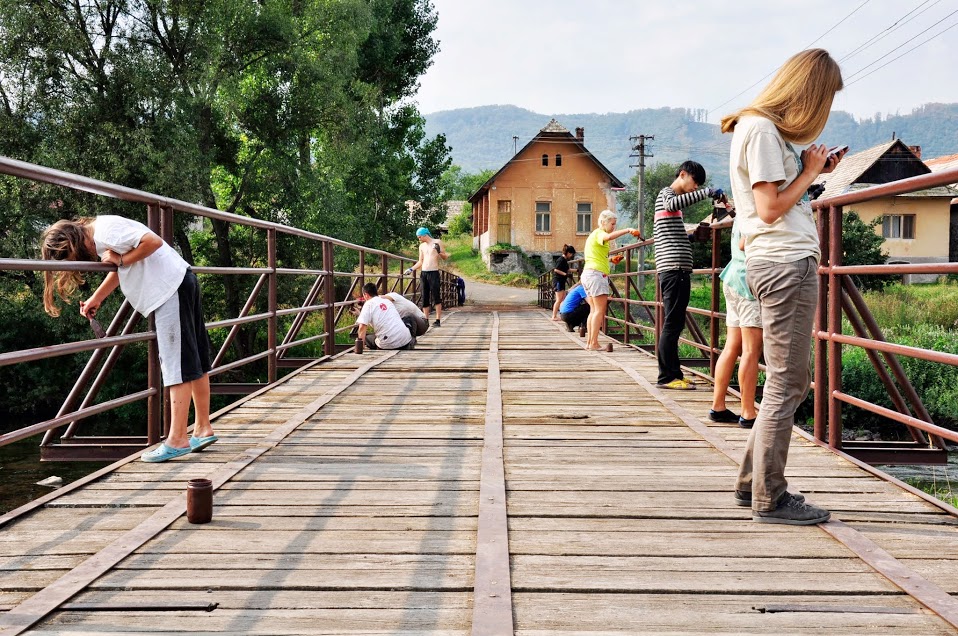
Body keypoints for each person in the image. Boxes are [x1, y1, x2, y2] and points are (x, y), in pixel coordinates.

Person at [721, 48, 845, 525]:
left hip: (776, 262)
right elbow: (770, 209)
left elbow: (771, 201)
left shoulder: (758, 130)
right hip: (785, 263)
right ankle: (769, 497)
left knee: (782, 380)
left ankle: (751, 483)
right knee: (788, 382)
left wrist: (812, 171)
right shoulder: (762, 130)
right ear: (807, 93)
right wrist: (810, 171)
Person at [41, 216, 217, 463]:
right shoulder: (102, 232)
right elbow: (124, 268)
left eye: (72, 257)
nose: (79, 262)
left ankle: (177, 439)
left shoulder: (106, 233)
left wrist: (121, 260)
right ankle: (202, 428)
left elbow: (152, 242)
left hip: (169, 290)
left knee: (175, 363)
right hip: (179, 282)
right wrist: (97, 298)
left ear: (72, 243)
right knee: (194, 357)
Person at [653, 160, 727, 390]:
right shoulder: (666, 195)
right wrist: (709, 193)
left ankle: (674, 373)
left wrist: (693, 237)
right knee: (672, 324)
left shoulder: (673, 208)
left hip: (677, 269)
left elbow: (672, 236)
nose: (695, 188)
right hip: (673, 270)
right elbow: (674, 201)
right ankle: (666, 377)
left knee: (675, 323)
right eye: (696, 183)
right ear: (683, 174)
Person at [709, 213, 764, 428]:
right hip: (747, 282)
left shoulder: (743, 208)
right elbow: (744, 242)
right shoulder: (756, 209)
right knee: (751, 350)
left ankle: (718, 405)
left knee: (732, 346)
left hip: (732, 276)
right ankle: (748, 412)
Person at [581, 210, 640, 351]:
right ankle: (594, 343)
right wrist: (627, 230)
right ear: (603, 222)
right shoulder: (600, 233)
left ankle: (590, 342)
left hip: (588, 273)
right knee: (599, 311)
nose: (613, 227)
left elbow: (595, 256)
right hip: (596, 275)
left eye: (615, 224)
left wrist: (610, 259)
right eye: (612, 224)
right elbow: (607, 237)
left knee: (593, 310)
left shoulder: (593, 235)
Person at [404, 227, 448, 327]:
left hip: (434, 272)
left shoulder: (437, 242)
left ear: (424, 235)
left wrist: (439, 251)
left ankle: (438, 320)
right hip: (424, 273)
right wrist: (411, 269)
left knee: (436, 295)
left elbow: (445, 257)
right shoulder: (421, 246)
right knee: (424, 296)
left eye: (419, 237)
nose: (419, 239)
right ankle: (426, 319)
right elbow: (420, 261)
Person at [355, 283, 414, 350]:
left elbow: (362, 327)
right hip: (405, 340)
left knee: (368, 339)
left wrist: (360, 346)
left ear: (366, 294)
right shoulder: (387, 301)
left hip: (389, 344)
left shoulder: (368, 304)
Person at [551, 244, 576, 321]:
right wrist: (566, 274)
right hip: (558, 281)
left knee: (562, 298)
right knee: (559, 299)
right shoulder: (561, 259)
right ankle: (554, 316)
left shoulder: (564, 260)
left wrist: (577, 270)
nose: (571, 256)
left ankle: (562, 314)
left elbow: (567, 269)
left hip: (561, 281)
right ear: (568, 253)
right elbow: (556, 270)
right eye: (571, 254)